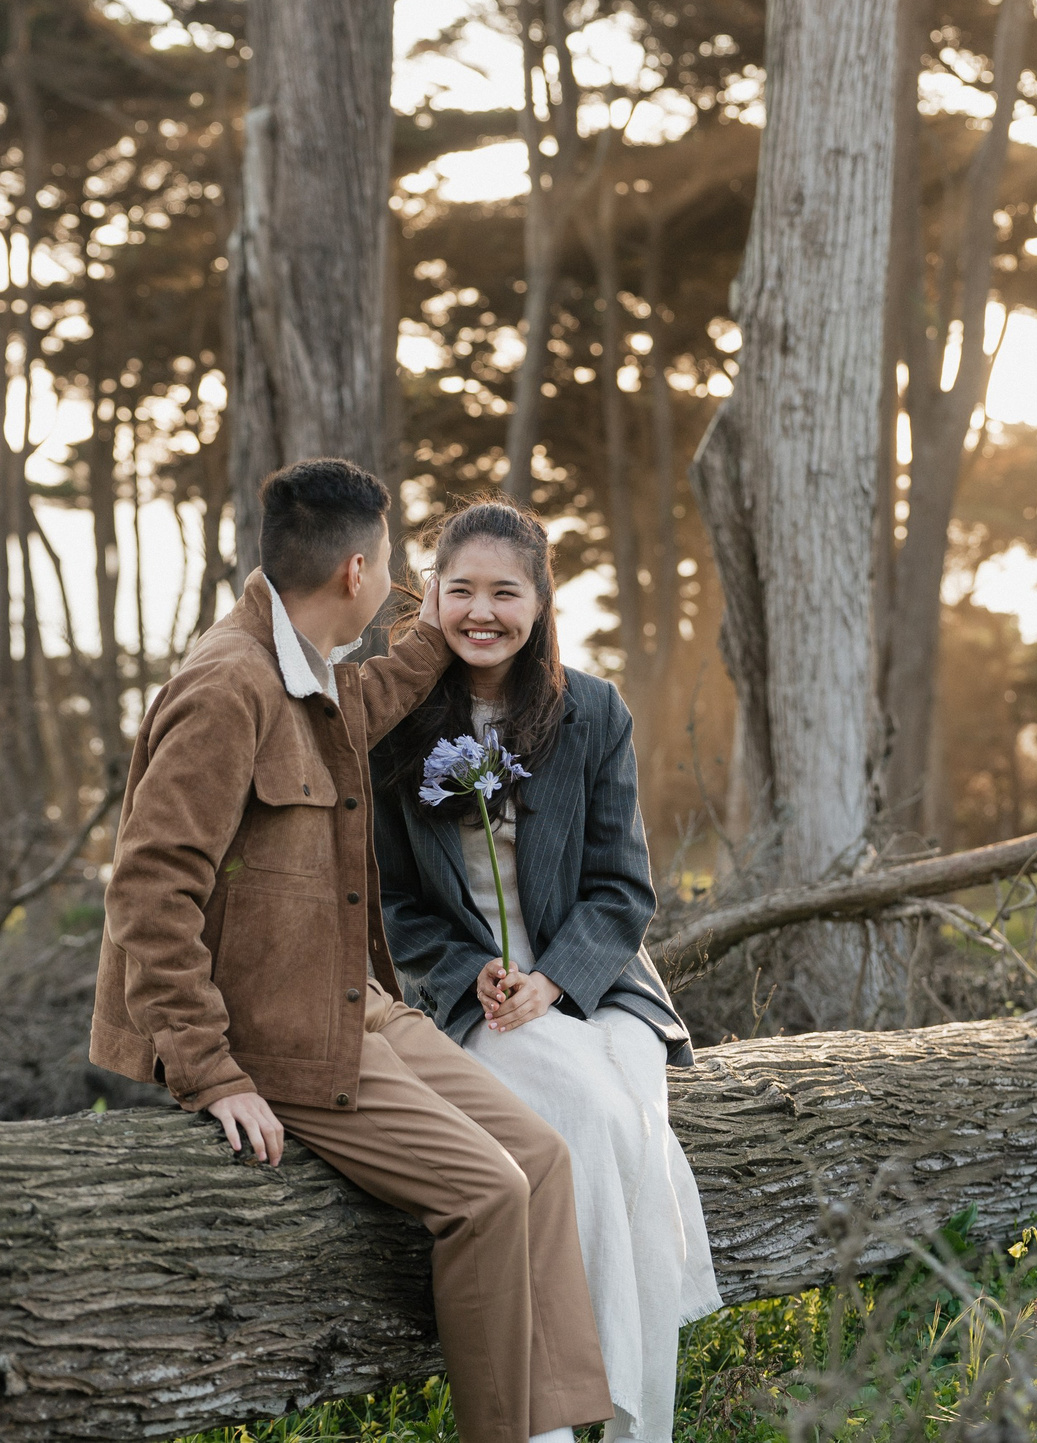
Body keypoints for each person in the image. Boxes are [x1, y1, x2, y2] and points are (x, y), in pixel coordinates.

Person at [91, 459, 611, 1443]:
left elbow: (366, 702)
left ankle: (555, 1428)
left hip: (348, 1000)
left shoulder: (301, 669)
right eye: (397, 564)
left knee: (542, 1154)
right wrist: (211, 1073)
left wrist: (443, 628)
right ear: (356, 571)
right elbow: (148, 892)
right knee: (488, 1192)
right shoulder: (226, 686)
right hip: (275, 1034)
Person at [374, 501, 721, 1443]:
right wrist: (474, 972)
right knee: (590, 1117)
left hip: (595, 987)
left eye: (505, 592)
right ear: (430, 596)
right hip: (477, 999)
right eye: (460, 590)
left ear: (539, 600)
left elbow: (623, 887)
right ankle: (568, 1408)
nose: (481, 612)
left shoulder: (592, 710)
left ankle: (629, 1407)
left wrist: (555, 979)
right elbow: (394, 902)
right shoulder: (393, 717)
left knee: (621, 1116)